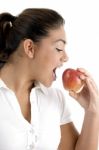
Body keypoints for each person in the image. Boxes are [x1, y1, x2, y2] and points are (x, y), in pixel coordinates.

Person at [0, 8, 99, 150]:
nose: (66, 57)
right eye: (59, 48)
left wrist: (93, 112)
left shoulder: (55, 98)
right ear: (30, 48)